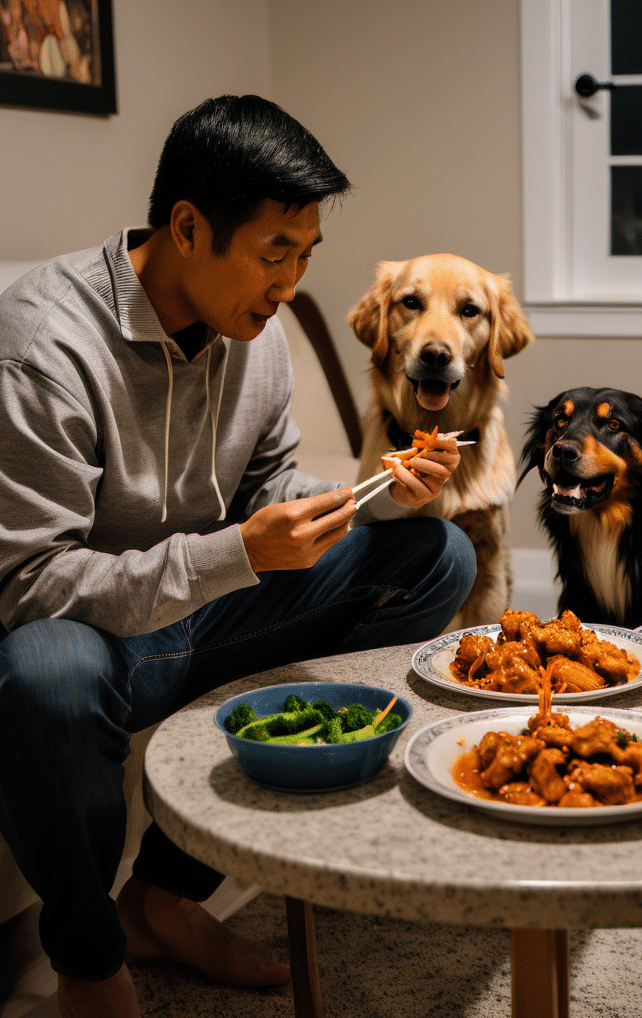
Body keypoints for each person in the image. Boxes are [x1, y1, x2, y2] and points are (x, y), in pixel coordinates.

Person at [0, 94, 475, 1018]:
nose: (290, 283)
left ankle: (166, 896)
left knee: (435, 555)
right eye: (273, 254)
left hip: (200, 615)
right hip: (90, 642)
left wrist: (372, 494)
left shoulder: (257, 337)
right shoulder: (43, 342)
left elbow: (270, 494)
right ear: (187, 227)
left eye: (305, 257)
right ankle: (89, 960)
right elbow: (28, 586)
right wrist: (235, 555)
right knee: (48, 672)